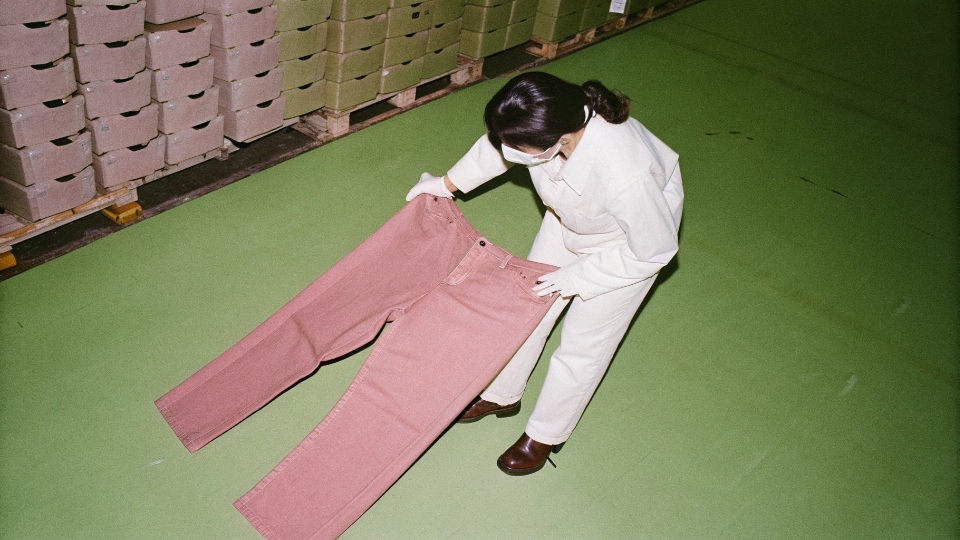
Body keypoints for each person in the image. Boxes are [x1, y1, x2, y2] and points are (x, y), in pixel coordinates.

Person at [405, 71, 684, 475]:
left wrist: (581, 277)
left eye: (519, 147)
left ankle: (545, 434)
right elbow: (497, 149)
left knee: (582, 347)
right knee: (528, 307)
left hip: (625, 249)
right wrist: (445, 184)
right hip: (570, 217)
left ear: (560, 140)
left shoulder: (626, 173)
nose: (508, 150)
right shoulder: (550, 121)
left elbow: (655, 250)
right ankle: (502, 394)